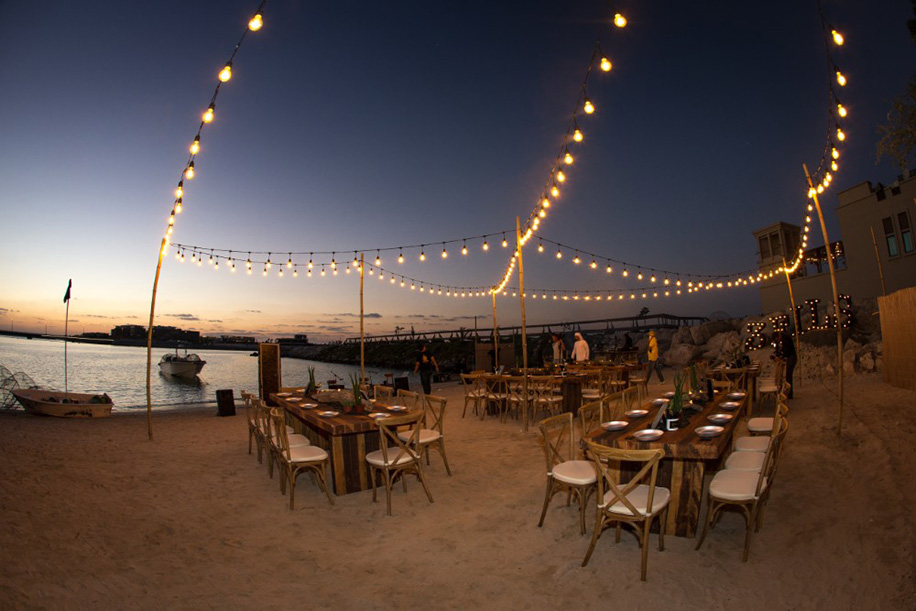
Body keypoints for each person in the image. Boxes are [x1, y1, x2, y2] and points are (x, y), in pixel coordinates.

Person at [775, 328, 797, 399]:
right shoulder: (784, 338)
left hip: (791, 357)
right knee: (788, 376)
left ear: (778, 337)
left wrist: (782, 356)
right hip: (790, 356)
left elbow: (787, 350)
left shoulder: (785, 339)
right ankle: (789, 393)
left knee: (788, 375)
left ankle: (789, 394)